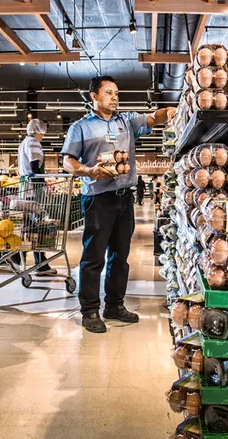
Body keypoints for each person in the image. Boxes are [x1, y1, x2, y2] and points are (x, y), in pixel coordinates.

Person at [61, 75, 176, 333]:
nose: (115, 97)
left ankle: (114, 305)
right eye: (109, 92)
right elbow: (67, 161)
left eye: (117, 93)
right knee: (93, 257)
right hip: (97, 200)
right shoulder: (81, 127)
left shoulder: (127, 121)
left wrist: (169, 111)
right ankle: (89, 310)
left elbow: (153, 118)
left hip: (124, 198)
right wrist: (90, 171)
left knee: (120, 256)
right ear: (94, 96)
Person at [17, 118, 55, 276]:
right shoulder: (33, 142)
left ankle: (20, 259)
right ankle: (41, 264)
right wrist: (43, 185)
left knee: (27, 226)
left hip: (25, 188)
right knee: (37, 227)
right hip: (33, 189)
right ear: (38, 132)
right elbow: (34, 167)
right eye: (42, 133)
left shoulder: (23, 142)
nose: (43, 136)